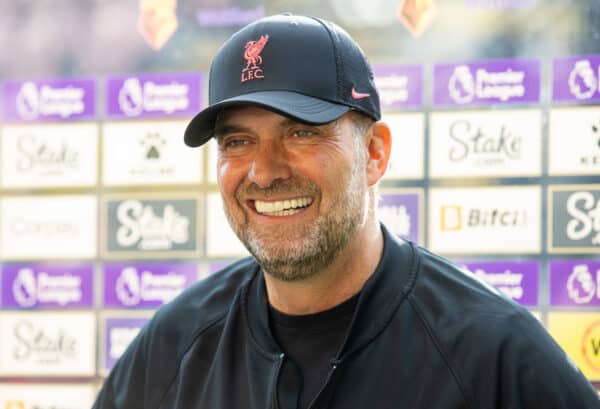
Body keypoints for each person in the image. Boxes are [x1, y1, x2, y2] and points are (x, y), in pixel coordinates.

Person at [93, 13, 600, 409]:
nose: (264, 172)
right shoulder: (173, 346)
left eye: (301, 132)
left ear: (375, 152)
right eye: (238, 141)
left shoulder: (496, 355)